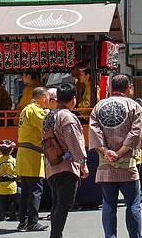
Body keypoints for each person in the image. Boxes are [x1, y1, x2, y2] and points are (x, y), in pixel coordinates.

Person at [89, 74, 142, 238]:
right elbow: (136, 133)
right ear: (128, 87)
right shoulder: (134, 106)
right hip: (127, 165)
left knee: (109, 204)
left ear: (112, 88)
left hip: (106, 164)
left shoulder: (99, 107)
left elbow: (94, 131)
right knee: (133, 204)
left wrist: (106, 151)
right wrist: (120, 152)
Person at [43, 82, 89, 238]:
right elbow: (74, 143)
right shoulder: (68, 117)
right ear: (73, 99)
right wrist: (83, 164)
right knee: (63, 206)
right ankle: (55, 235)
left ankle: (56, 234)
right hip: (66, 166)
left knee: (57, 204)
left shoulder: (49, 115)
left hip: (51, 165)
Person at [16, 87, 49, 232]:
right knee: (36, 189)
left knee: (26, 191)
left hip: (24, 152)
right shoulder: (35, 110)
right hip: (32, 153)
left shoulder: (26, 109)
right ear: (42, 97)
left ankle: (23, 221)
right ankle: (32, 222)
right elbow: (47, 125)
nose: (48, 101)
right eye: (48, 98)